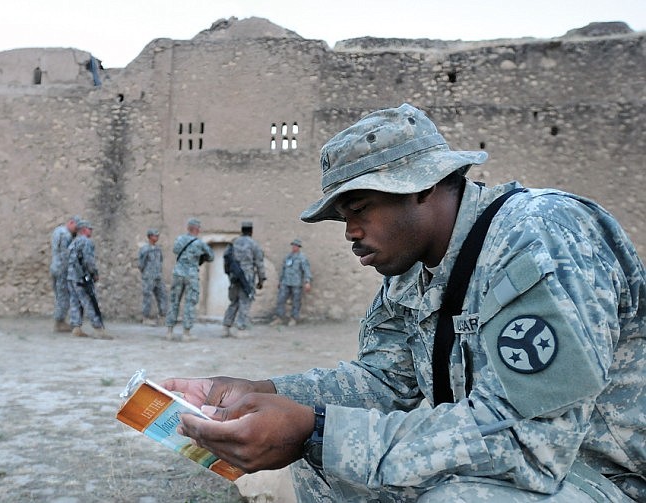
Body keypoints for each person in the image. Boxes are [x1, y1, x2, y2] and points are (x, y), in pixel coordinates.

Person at [162, 104, 645, 502]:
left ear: (424, 185)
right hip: (517, 455)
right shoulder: (411, 269)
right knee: (329, 473)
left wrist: (315, 431)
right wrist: (258, 390)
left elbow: (529, 444)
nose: (350, 232)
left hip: (602, 474)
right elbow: (383, 382)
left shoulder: (541, 234)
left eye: (360, 208)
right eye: (342, 217)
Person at [165, 218, 214, 342]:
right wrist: (200, 257)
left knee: (174, 301)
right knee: (190, 303)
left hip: (178, 274)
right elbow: (211, 256)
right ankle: (186, 334)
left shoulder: (179, 239)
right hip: (191, 275)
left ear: (188, 228)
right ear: (197, 229)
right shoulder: (200, 243)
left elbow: (175, 250)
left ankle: (169, 332)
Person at [66, 220, 111, 340]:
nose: (91, 231)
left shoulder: (73, 242)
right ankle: (98, 329)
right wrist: (94, 273)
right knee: (89, 301)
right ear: (84, 229)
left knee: (75, 302)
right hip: (82, 277)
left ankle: (76, 327)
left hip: (71, 276)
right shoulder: (86, 242)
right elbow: (88, 261)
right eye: (90, 228)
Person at [222, 221, 267, 337]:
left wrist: (229, 275)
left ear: (242, 230)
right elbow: (259, 263)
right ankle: (241, 329)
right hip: (247, 277)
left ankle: (226, 327)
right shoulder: (253, 244)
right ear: (251, 231)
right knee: (245, 302)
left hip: (234, 277)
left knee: (234, 302)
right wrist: (261, 280)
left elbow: (226, 260)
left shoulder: (234, 242)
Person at [271, 238, 312, 326]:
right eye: (293, 245)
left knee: (296, 301)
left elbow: (306, 270)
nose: (294, 247)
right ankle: (279, 317)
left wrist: (307, 282)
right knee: (281, 299)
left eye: (296, 246)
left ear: (299, 247)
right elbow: (283, 269)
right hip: (285, 282)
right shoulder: (288, 257)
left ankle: (294, 318)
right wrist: (280, 281)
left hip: (296, 283)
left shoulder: (302, 258)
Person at [50, 215, 80, 332]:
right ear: (71, 223)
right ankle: (59, 322)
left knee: (59, 295)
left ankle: (59, 320)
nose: (76, 231)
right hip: (62, 269)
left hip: (55, 267)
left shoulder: (57, 231)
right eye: (76, 228)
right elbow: (66, 254)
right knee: (64, 296)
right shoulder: (66, 235)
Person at [138, 228, 168, 326]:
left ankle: (162, 316)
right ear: (150, 237)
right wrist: (146, 273)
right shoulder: (145, 249)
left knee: (162, 295)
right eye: (155, 235)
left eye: (157, 236)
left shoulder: (158, 249)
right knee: (147, 296)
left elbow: (160, 261)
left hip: (158, 276)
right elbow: (141, 264)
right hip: (148, 276)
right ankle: (145, 317)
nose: (157, 237)